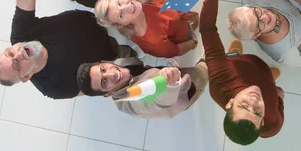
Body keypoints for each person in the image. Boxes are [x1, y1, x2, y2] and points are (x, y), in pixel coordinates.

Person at [0, 0, 133, 99]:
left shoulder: (21, 34)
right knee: (122, 53)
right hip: (105, 55)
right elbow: (90, 89)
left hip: (92, 22)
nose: (17, 54)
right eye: (17, 64)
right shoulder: (53, 87)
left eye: (10, 53)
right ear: (26, 76)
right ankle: (123, 51)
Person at [200, 0, 284, 144]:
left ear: (230, 103)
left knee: (234, 57)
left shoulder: (219, 79)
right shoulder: (272, 125)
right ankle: (270, 79)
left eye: (244, 106)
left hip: (242, 64)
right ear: (263, 121)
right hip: (263, 75)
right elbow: (279, 105)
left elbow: (207, 29)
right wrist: (279, 99)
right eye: (258, 112)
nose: (254, 100)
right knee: (270, 81)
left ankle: (235, 54)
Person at [76, 56, 208, 119]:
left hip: (165, 74)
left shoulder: (123, 63)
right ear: (108, 94)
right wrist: (169, 85)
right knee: (205, 69)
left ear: (105, 62)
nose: (112, 73)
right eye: (104, 82)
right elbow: (156, 101)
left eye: (103, 69)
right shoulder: (132, 103)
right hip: (185, 91)